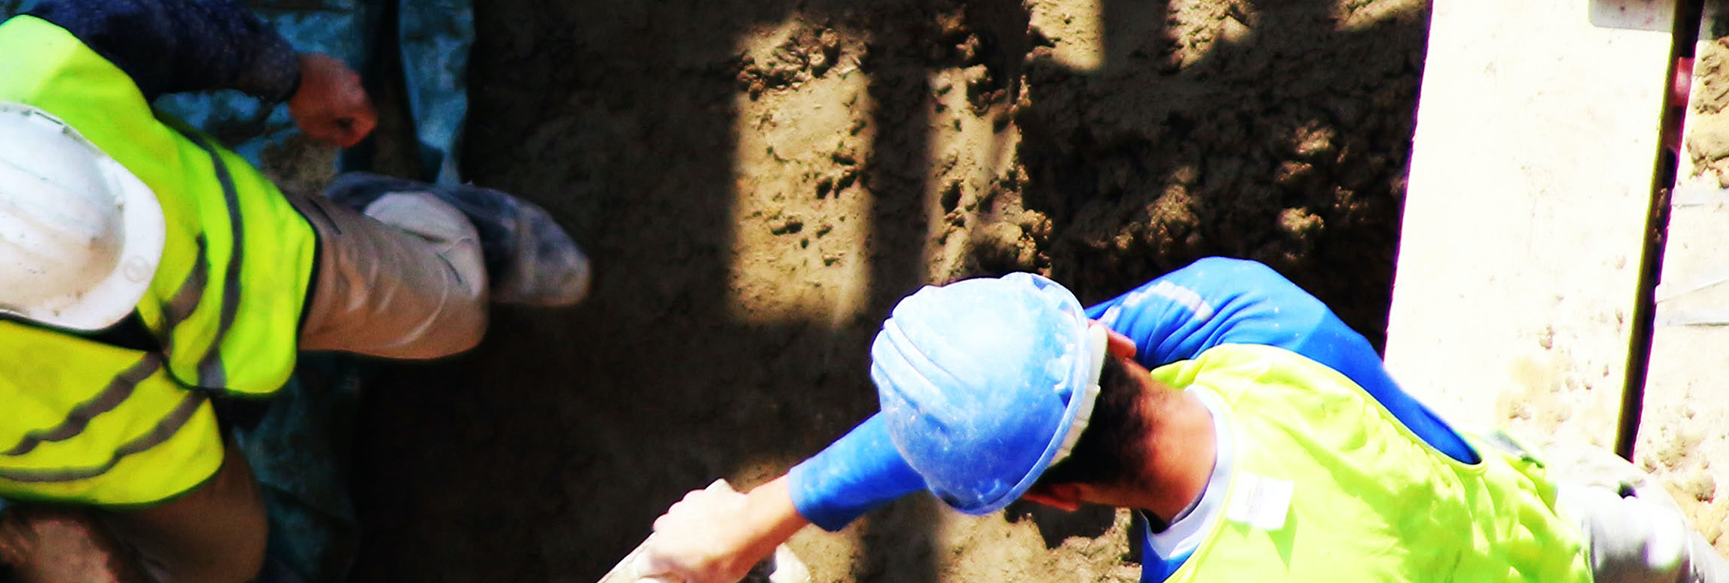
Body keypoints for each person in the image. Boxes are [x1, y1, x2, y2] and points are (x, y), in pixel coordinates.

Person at [0, 0, 589, 583]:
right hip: (153, 476)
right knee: (225, 571)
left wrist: (292, 74)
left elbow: (169, 30)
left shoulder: (46, 58)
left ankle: (402, 219)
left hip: (275, 267)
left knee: (454, 313)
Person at [638, 258, 1728, 583]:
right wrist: (775, 507)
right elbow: (1014, 385)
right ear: (1114, 346)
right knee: (1621, 535)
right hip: (1531, 531)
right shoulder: (1259, 319)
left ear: (1055, 499)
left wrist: (765, 520)